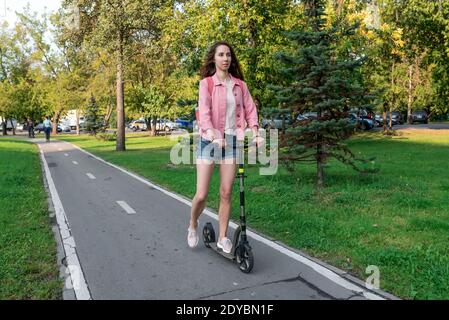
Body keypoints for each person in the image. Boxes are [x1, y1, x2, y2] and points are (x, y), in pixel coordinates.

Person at [187, 41, 264, 253]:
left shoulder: (240, 85)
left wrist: (255, 132)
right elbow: (204, 113)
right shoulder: (207, 84)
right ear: (214, 58)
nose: (225, 58)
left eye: (228, 55)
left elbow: (250, 110)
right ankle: (193, 224)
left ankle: (222, 237)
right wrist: (212, 134)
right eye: (221, 54)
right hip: (208, 141)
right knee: (201, 194)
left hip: (231, 143)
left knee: (226, 192)